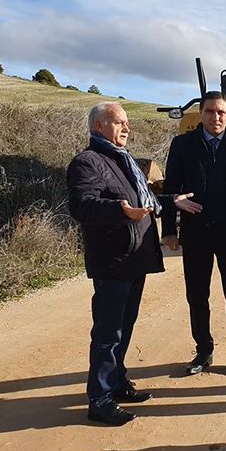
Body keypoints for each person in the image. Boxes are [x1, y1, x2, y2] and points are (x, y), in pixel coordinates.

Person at [68, 102, 185, 425]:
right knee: (108, 333)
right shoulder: (87, 162)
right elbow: (82, 206)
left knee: (124, 327)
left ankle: (117, 383)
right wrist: (119, 211)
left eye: (126, 123)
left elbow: (141, 202)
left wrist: (170, 201)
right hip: (113, 261)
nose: (126, 128)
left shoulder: (123, 160)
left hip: (134, 259)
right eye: (118, 122)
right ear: (98, 127)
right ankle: (100, 398)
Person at [161, 91, 226, 378]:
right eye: (209, 112)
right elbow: (171, 188)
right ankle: (203, 351)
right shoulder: (183, 145)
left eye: (220, 112)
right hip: (196, 234)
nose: (215, 117)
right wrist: (169, 229)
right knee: (197, 295)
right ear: (201, 114)